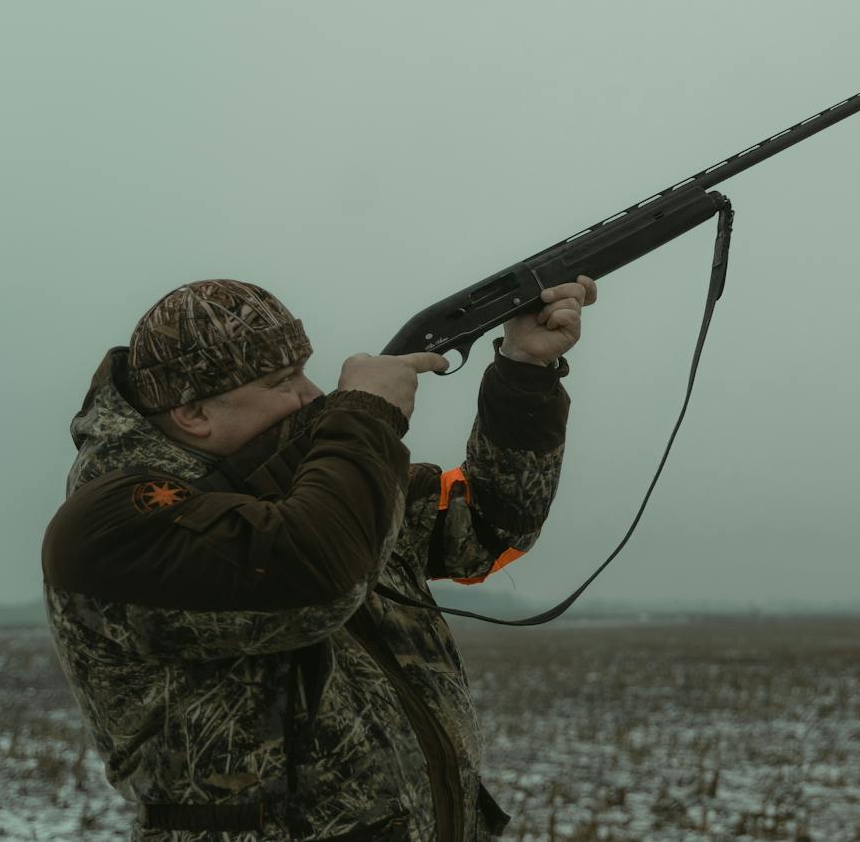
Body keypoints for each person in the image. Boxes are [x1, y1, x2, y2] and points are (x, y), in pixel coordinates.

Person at [41, 275, 595, 841]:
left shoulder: (304, 483)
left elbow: (489, 527)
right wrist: (366, 416)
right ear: (194, 413)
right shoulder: (111, 528)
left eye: (305, 370)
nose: (313, 395)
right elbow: (318, 575)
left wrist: (524, 372)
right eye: (284, 381)